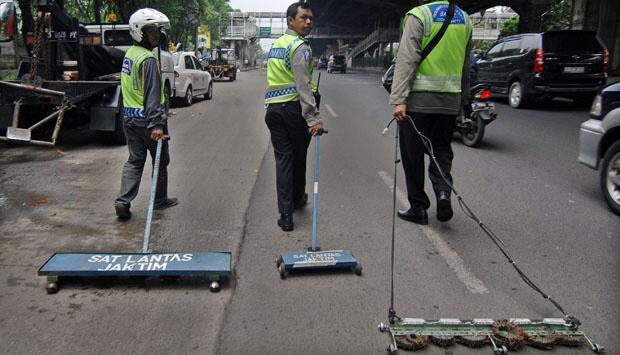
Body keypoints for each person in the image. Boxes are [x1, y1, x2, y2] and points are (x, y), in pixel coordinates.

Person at [390, 0, 472, 225]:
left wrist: (399, 99)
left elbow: (407, 59)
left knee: (412, 153)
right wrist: (463, 100)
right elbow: (467, 65)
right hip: (450, 99)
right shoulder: (465, 19)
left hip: (419, 101)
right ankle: (443, 192)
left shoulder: (419, 15)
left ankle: (418, 207)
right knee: (442, 148)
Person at [264, 2, 324, 231]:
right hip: (294, 111)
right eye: (303, 17)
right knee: (297, 158)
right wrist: (313, 118)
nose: (308, 22)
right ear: (290, 20)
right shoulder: (301, 46)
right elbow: (302, 85)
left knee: (283, 161)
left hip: (273, 110)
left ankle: (286, 215)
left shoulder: (276, 44)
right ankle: (298, 198)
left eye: (310, 18)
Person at [114, 8, 178, 220]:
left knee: (135, 160)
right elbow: (151, 95)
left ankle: (123, 201)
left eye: (157, 31)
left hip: (130, 120)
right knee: (161, 161)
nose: (156, 35)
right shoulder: (148, 60)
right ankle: (159, 200)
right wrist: (156, 125)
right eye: (151, 31)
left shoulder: (130, 55)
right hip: (149, 122)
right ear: (139, 32)